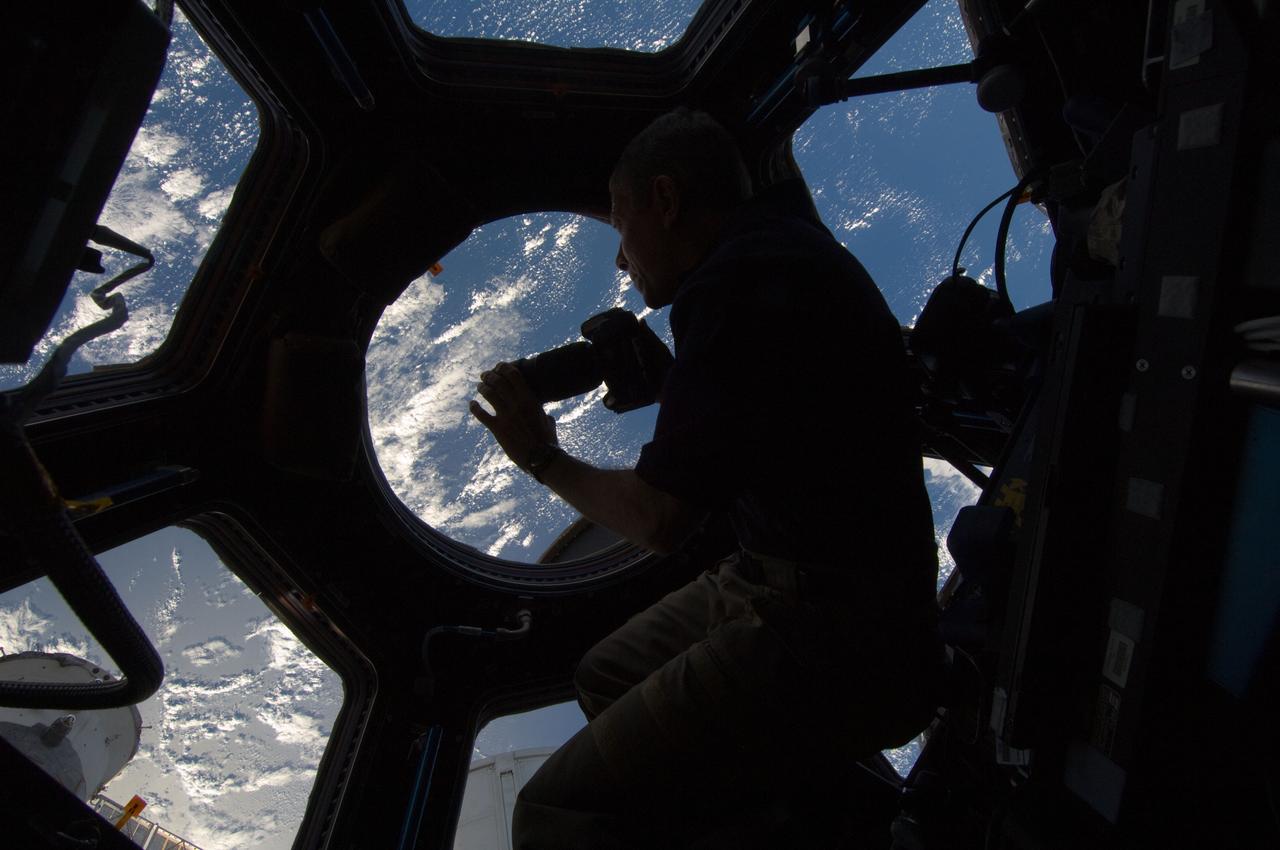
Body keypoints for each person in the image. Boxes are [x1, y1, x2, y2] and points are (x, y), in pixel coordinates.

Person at [470, 108, 942, 848]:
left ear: (666, 200)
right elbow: (779, 404)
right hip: (810, 580)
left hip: (837, 627)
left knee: (555, 812)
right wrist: (675, 383)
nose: (623, 260)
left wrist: (541, 457)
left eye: (622, 226)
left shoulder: (733, 288)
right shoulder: (781, 251)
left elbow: (660, 521)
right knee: (605, 675)